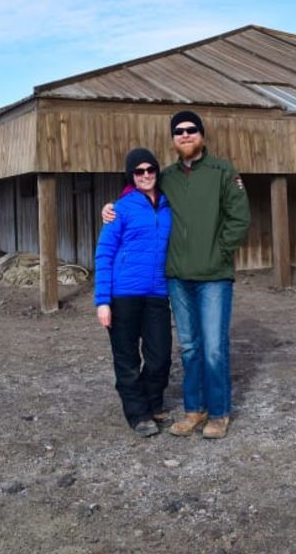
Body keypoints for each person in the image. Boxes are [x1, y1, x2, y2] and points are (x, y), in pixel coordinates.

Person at [104, 110, 250, 439]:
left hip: (213, 275)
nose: (185, 135)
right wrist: (109, 208)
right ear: (173, 139)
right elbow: (138, 192)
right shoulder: (166, 176)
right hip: (178, 278)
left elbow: (239, 219)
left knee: (213, 346)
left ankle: (219, 413)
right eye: (178, 132)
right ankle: (194, 410)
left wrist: (220, 252)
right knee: (190, 347)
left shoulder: (223, 171)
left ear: (201, 134)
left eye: (191, 130)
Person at [94, 148, 173, 437]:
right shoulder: (120, 209)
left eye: (150, 169)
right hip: (123, 294)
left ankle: (153, 404)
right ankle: (138, 414)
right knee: (127, 358)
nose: (146, 175)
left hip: (157, 293)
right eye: (139, 171)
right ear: (131, 175)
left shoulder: (168, 205)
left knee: (160, 356)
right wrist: (102, 301)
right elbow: (104, 253)